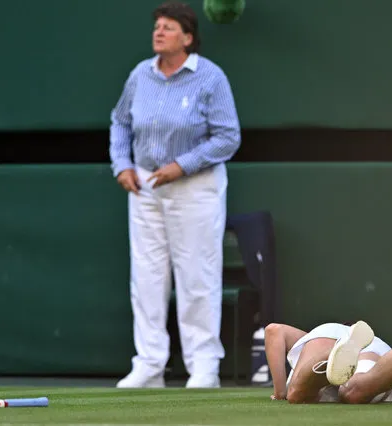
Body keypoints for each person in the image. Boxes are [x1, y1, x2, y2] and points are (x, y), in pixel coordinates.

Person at [109, 1, 241, 389]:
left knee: (197, 275)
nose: (159, 31)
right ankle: (149, 365)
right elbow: (120, 121)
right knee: (147, 278)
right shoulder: (139, 75)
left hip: (195, 187)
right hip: (146, 188)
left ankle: (204, 367)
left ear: (187, 37)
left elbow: (228, 137)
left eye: (168, 27)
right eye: (157, 26)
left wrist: (182, 165)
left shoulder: (210, 78)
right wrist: (122, 165)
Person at [264, 300, 392, 403]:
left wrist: (280, 392)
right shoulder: (389, 366)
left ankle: (331, 354)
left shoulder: (322, 333)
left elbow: (273, 330)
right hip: (375, 349)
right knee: (353, 393)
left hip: (326, 336)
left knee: (297, 395)